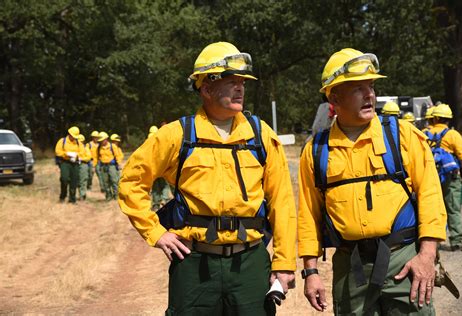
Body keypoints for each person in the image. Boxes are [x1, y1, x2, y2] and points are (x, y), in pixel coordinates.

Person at [119, 41, 297, 315]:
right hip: (193, 265)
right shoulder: (178, 135)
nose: (240, 88)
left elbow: (282, 202)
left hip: (250, 264)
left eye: (243, 82)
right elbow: (132, 181)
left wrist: (284, 264)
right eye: (230, 81)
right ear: (206, 87)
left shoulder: (260, 134)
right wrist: (156, 233)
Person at [298, 48, 447, 315]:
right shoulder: (317, 150)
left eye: (371, 85)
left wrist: (426, 256)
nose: (369, 94)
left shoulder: (403, 136)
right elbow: (308, 215)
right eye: (358, 88)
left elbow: (431, 196)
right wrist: (311, 271)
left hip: (404, 260)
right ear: (334, 96)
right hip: (349, 267)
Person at [428, 103, 462, 251]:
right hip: (450, 177)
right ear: (448, 119)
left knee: (432, 208)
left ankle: (434, 241)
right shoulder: (453, 135)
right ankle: (456, 241)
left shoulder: (424, 133)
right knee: (453, 208)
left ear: (435, 118)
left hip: (430, 177)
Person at [55, 126, 85, 203]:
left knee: (74, 181)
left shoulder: (79, 143)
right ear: (69, 134)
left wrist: (76, 155)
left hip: (75, 163)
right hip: (65, 162)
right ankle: (63, 196)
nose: (74, 138)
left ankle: (72, 199)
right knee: (64, 179)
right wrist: (66, 154)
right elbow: (57, 151)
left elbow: (82, 152)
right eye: (73, 136)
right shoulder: (62, 141)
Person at [97, 132, 121, 201]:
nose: (101, 142)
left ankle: (116, 195)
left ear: (106, 139)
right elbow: (97, 157)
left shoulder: (112, 146)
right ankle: (108, 196)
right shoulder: (99, 148)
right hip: (103, 166)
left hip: (111, 166)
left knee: (114, 181)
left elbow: (117, 156)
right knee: (105, 182)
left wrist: (118, 164)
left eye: (102, 140)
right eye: (100, 140)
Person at [77, 134, 92, 201]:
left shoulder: (86, 148)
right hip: (75, 165)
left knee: (83, 180)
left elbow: (88, 157)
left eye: (81, 141)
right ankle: (79, 193)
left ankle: (82, 195)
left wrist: (81, 158)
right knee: (77, 181)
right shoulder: (75, 148)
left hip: (83, 165)